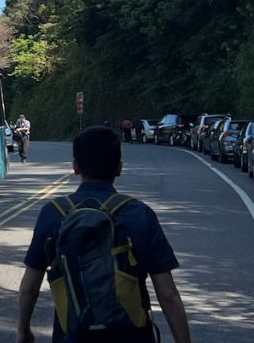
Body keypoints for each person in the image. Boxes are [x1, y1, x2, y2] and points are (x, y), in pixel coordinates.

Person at [16, 125, 191, 343]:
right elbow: (168, 294)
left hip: (72, 336)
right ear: (119, 167)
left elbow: (29, 287)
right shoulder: (139, 214)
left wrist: (24, 331)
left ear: (75, 167)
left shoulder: (53, 214)